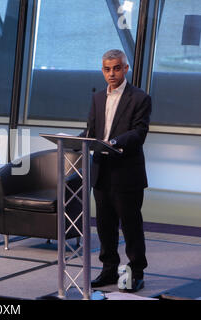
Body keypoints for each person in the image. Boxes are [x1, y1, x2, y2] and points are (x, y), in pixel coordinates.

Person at [82, 49, 151, 293]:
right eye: (107, 69)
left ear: (126, 68)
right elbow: (91, 130)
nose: (112, 73)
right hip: (101, 172)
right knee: (104, 225)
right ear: (103, 70)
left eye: (117, 68)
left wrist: (114, 142)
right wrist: (72, 142)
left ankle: (136, 273)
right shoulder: (97, 98)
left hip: (126, 173)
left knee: (131, 226)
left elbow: (139, 133)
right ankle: (109, 269)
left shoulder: (140, 98)